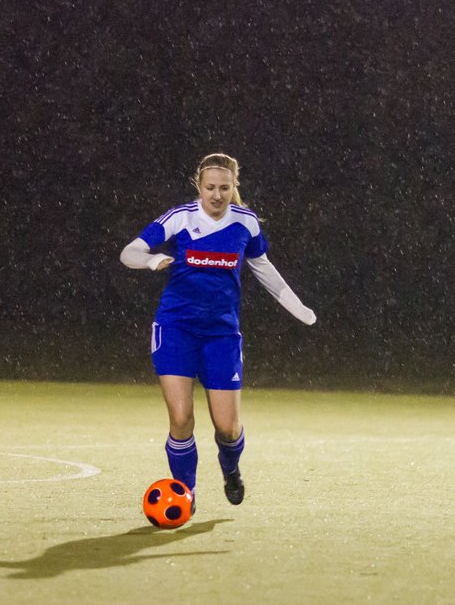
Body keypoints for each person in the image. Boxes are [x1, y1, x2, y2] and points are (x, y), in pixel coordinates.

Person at [120, 152, 316, 510]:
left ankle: (231, 471)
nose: (216, 195)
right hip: (176, 328)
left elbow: (263, 268)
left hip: (222, 334)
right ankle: (185, 493)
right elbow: (128, 252)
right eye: (210, 187)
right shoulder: (181, 218)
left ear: (234, 187)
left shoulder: (246, 223)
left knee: (227, 427)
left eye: (224, 188)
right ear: (199, 185)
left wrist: (298, 307)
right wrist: (150, 260)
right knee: (181, 419)